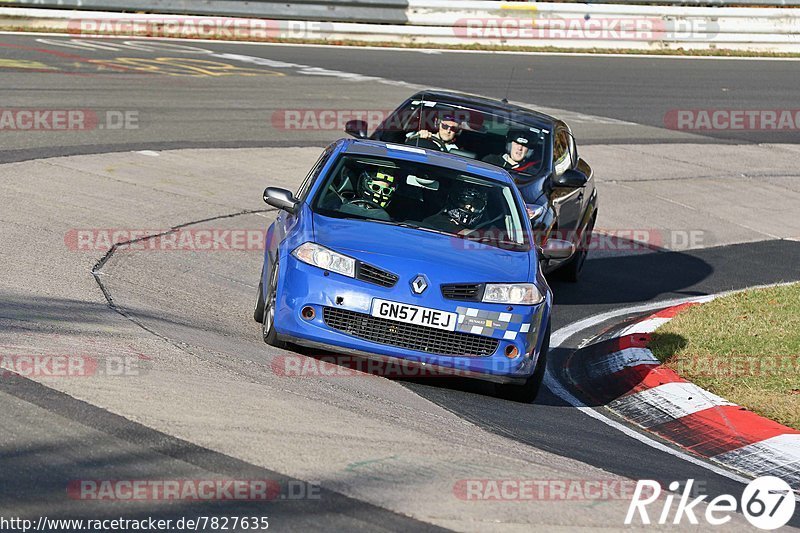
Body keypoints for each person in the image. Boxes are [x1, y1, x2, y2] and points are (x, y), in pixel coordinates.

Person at [423, 185, 488, 234]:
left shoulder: (485, 231)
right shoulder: (434, 222)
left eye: (476, 204)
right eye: (464, 201)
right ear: (455, 200)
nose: (468, 207)